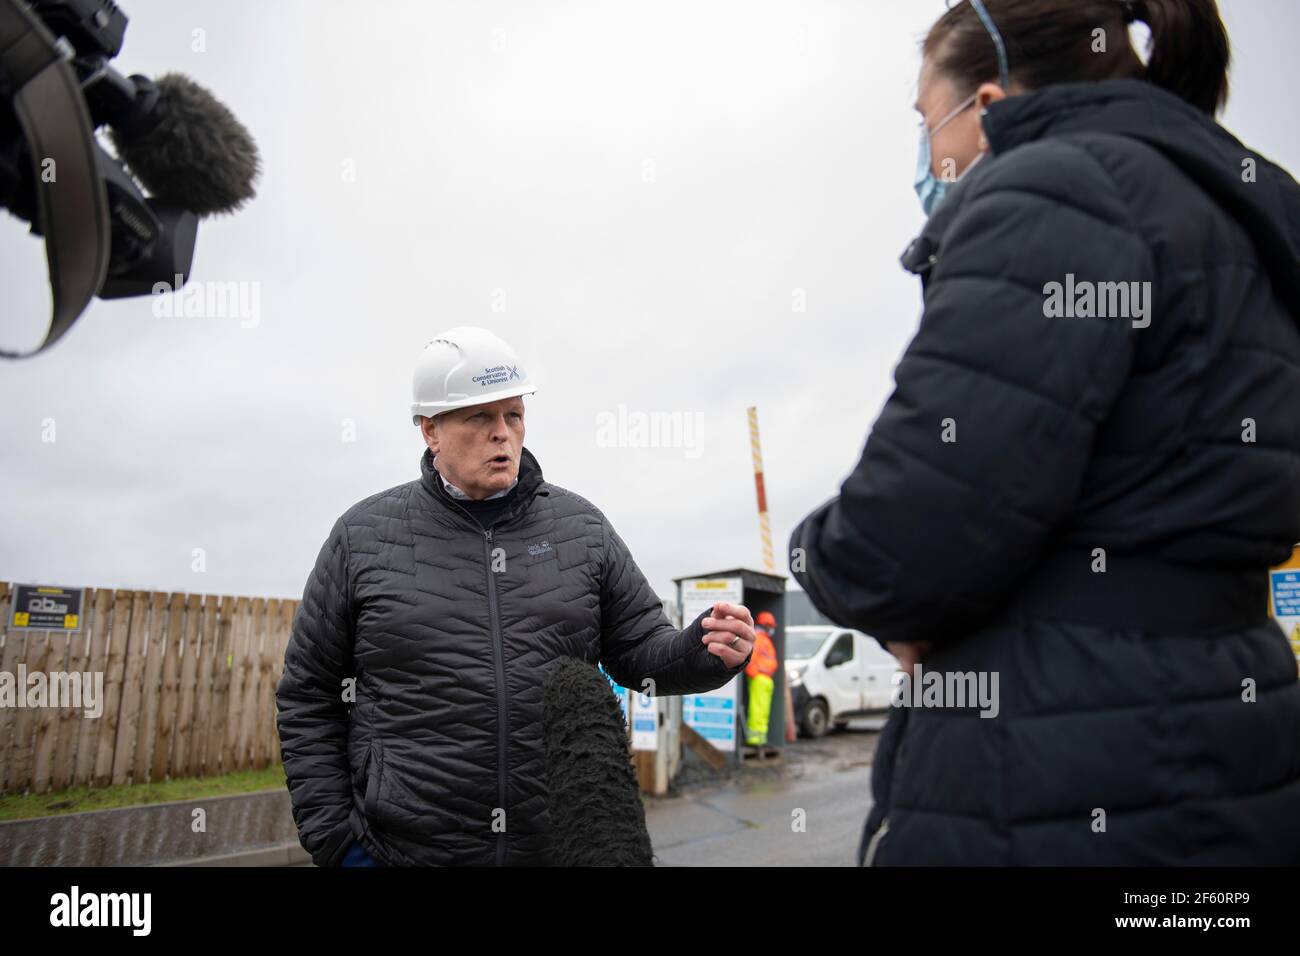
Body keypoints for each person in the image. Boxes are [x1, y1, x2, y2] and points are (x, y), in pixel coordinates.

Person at [790, 0, 1300, 865]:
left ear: (986, 107)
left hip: (1061, 764)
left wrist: (818, 558)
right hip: (1234, 732)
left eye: (925, 122)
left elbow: (908, 536)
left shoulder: (1056, 188)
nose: (925, 154)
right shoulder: (1248, 209)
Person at [276, 326, 755, 866]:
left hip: (553, 851)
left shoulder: (582, 529)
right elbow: (309, 695)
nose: (502, 433)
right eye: (479, 417)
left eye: (514, 415)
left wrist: (705, 650)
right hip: (405, 853)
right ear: (430, 429)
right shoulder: (363, 537)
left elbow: (640, 653)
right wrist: (339, 845)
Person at [744, 611, 779, 746]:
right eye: (770, 626)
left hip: (764, 680)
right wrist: (755, 675)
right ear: (765, 626)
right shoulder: (759, 638)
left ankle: (760, 739)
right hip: (760, 679)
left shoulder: (763, 639)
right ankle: (754, 739)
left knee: (762, 711)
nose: (772, 629)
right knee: (758, 710)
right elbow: (751, 660)